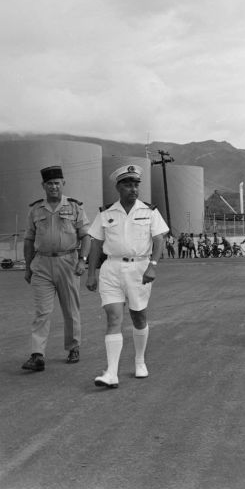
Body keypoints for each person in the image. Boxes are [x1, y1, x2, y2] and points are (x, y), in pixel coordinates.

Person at [86, 164, 168, 388]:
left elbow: (160, 239)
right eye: (128, 185)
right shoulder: (106, 213)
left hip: (139, 268)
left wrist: (152, 265)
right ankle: (111, 373)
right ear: (118, 187)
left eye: (136, 184)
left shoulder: (149, 211)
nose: (133, 189)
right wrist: (91, 273)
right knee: (113, 318)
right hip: (111, 268)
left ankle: (139, 361)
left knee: (139, 316)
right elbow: (96, 244)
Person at [21, 165, 91, 372]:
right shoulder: (35, 210)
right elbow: (28, 239)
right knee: (42, 312)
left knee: (70, 309)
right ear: (43, 185)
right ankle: (37, 355)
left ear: (63, 184)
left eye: (57, 183)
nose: (53, 187)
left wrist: (82, 261)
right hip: (41, 265)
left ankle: (73, 347)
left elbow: (85, 236)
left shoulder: (75, 207)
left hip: (68, 262)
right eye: (49, 184)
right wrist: (28, 267)